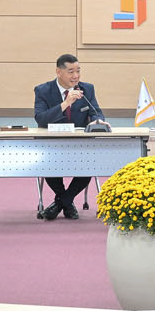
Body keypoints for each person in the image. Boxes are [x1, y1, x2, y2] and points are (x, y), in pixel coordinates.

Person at [32, 54, 102, 221]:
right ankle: (67, 203)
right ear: (59, 72)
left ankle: (63, 202)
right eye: (71, 72)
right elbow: (41, 119)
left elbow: (96, 112)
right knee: (48, 166)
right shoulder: (43, 90)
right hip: (52, 145)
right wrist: (65, 104)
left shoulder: (87, 89)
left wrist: (97, 120)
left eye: (78, 71)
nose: (76, 76)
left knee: (88, 166)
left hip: (80, 145)